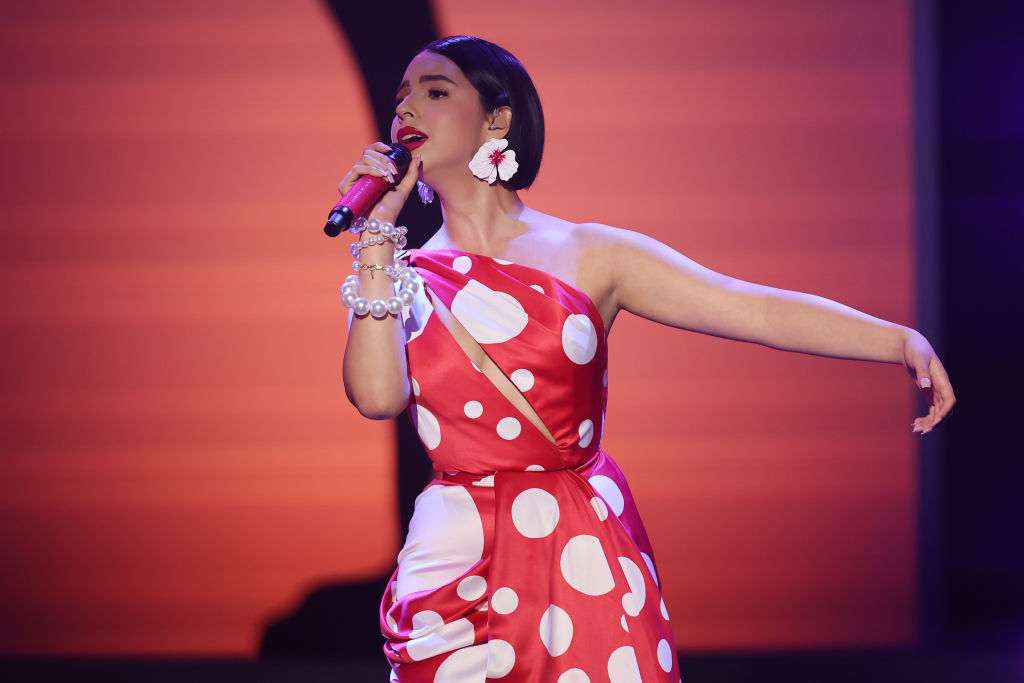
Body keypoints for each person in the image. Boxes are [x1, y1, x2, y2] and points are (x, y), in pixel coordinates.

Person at [336, 35, 955, 683]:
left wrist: (896, 339)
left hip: (576, 543)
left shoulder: (591, 253)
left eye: (435, 92)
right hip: (455, 553)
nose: (407, 110)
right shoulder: (398, 275)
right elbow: (378, 397)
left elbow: (753, 308)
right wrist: (376, 238)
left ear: (498, 118)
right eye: (401, 97)